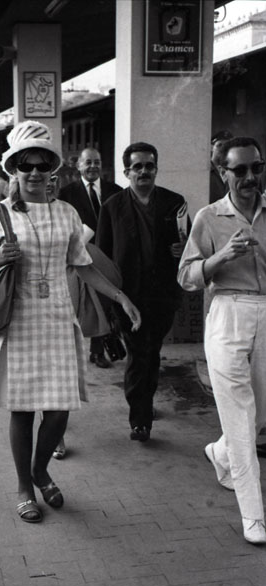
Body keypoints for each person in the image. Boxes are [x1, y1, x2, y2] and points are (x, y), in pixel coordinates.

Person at [0, 121, 141, 524]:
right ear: (14, 170)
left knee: (59, 410)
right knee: (23, 411)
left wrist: (120, 297)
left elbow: (83, 264)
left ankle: (40, 469)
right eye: (26, 165)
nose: (35, 172)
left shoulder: (66, 214)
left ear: (53, 170)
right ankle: (25, 486)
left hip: (59, 319)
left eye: (43, 165)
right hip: (17, 322)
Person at [178, 136, 266, 545]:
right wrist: (221, 256)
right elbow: (187, 276)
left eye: (256, 168)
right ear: (222, 172)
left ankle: (221, 452)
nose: (250, 177)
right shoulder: (209, 217)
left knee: (258, 413)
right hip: (229, 312)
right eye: (240, 170)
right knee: (239, 417)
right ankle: (253, 514)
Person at [96, 142, 188, 443]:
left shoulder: (175, 203)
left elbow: (190, 244)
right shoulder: (112, 207)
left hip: (163, 295)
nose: (144, 171)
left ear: (156, 168)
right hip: (128, 296)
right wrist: (109, 302)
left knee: (152, 352)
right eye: (138, 166)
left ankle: (144, 403)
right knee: (138, 354)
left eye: (149, 165)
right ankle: (140, 419)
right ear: (127, 172)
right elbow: (102, 256)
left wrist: (182, 250)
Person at [59, 148, 122, 368]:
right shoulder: (66, 193)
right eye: (88, 162)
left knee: (104, 302)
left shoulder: (116, 191)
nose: (93, 166)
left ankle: (98, 350)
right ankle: (73, 352)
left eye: (97, 162)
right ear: (79, 166)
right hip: (81, 257)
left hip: (109, 254)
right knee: (83, 305)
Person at [210, 130, 233, 203]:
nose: (223, 149)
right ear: (211, 147)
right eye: (219, 145)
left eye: (227, 146)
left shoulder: (233, 170)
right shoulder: (205, 170)